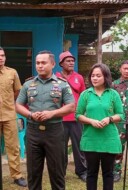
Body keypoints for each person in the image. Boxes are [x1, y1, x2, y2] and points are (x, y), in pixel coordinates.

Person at [15, 50, 75, 190]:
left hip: (54, 132)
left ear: (53, 64)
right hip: (33, 132)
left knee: (57, 173)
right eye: (37, 63)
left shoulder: (62, 84)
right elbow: (18, 105)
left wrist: (52, 113)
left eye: (43, 62)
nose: (40, 66)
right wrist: (30, 114)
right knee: (33, 173)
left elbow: (71, 106)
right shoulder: (28, 84)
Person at [75, 63, 124, 190]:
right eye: (92, 76)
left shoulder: (113, 94)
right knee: (91, 173)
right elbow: (78, 115)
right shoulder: (86, 94)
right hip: (91, 139)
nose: (94, 78)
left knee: (108, 174)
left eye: (98, 75)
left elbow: (121, 115)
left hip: (109, 139)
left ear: (106, 77)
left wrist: (110, 118)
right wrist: (91, 121)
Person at [55, 51, 87, 181]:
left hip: (76, 118)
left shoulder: (78, 77)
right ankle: (60, 172)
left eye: (72, 60)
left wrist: (83, 112)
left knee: (79, 146)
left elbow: (84, 96)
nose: (71, 62)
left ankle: (81, 171)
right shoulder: (55, 77)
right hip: (60, 118)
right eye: (68, 61)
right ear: (61, 63)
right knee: (60, 147)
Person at [0, 47, 27, 187]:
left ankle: (17, 175)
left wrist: (8, 102)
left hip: (9, 114)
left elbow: (17, 91)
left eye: (3, 55)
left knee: (13, 147)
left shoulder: (12, 72)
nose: (1, 58)